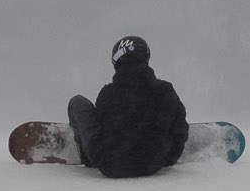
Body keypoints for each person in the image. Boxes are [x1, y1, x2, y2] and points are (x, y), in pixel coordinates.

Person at [69, 36, 188, 178]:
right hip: (150, 165)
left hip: (109, 165)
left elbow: (101, 125)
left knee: (77, 101)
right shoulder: (165, 90)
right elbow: (180, 131)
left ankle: (86, 155)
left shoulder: (107, 93)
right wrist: (168, 159)